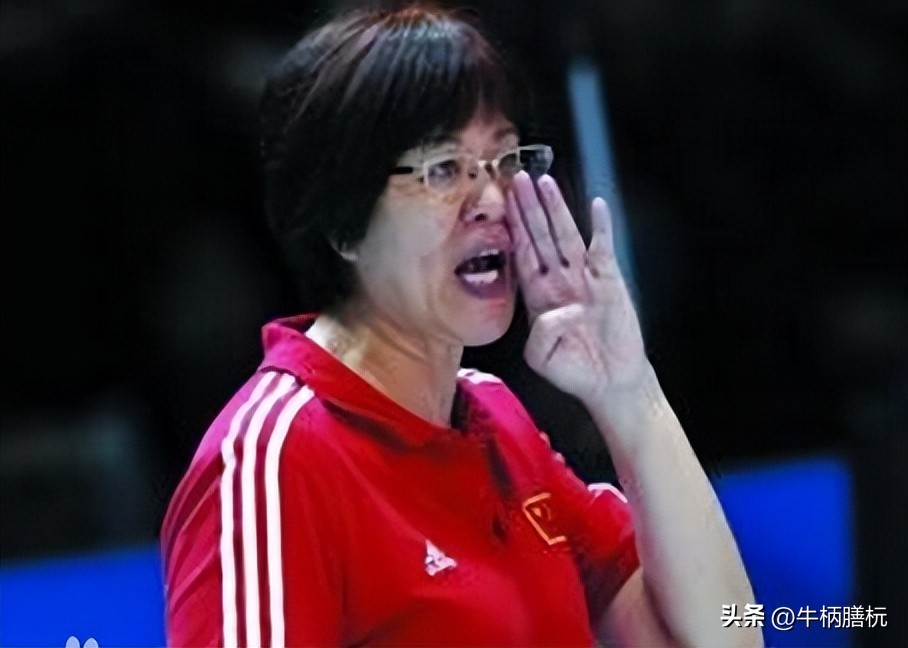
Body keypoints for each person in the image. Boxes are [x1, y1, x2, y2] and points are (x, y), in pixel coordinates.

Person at [161, 5, 762, 647]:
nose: (494, 201)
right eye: (444, 169)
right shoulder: (274, 459)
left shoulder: (496, 420)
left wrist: (632, 396)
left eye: (505, 161)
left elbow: (731, 636)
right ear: (343, 222)